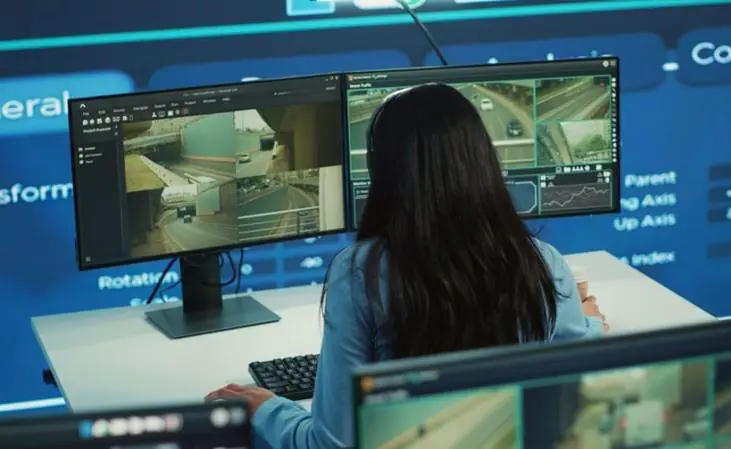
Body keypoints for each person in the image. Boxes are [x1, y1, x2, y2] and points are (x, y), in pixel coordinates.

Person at [206, 84, 608, 448]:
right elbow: (575, 366)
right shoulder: (541, 262)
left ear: (383, 173)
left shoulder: (360, 275)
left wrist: (268, 408)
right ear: (484, 161)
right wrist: (585, 321)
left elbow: (329, 445)